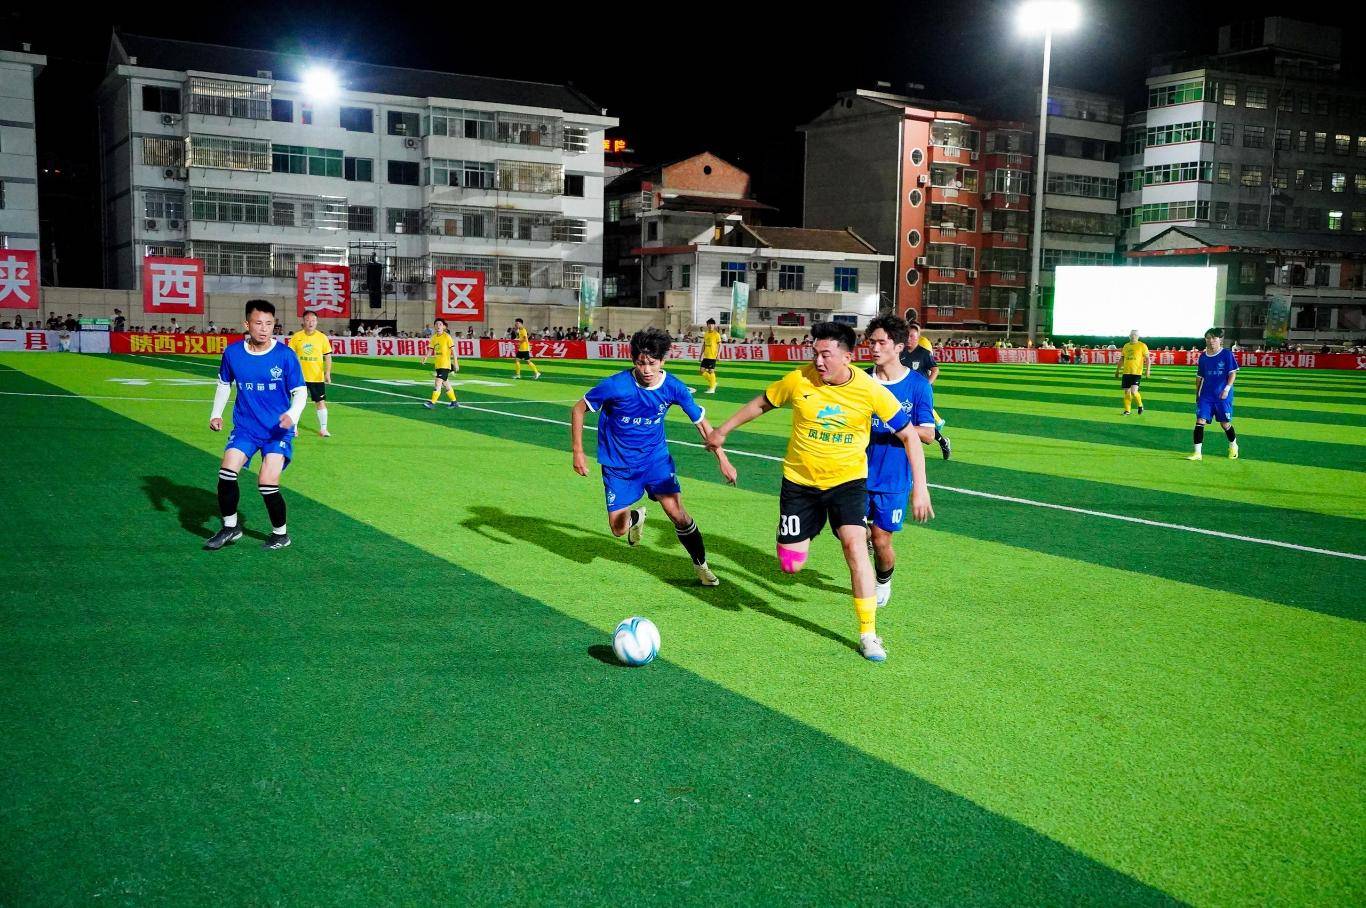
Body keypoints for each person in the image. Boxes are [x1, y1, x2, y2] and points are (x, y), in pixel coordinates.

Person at [706, 321, 934, 662]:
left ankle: (868, 634)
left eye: (826, 354)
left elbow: (910, 436)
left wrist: (921, 489)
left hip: (848, 483)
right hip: (800, 484)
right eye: (815, 353)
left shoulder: (870, 390)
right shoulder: (799, 379)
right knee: (790, 565)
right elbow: (763, 403)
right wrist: (723, 430)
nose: (818, 361)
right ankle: (808, 531)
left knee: (856, 546)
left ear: (847, 356)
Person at [570, 327, 737, 586]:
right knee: (618, 529)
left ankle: (701, 566)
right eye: (640, 363)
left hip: (655, 461)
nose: (646, 369)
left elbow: (702, 424)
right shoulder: (615, 385)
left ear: (663, 361)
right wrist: (578, 452)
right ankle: (636, 518)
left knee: (677, 514)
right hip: (618, 466)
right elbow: (579, 409)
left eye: (652, 363)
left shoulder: (673, 387)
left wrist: (723, 460)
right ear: (633, 361)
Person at [204, 300, 307, 551]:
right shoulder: (233, 353)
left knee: (267, 484)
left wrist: (293, 415)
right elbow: (224, 384)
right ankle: (230, 527)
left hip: (277, 431)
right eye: (258, 323)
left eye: (269, 324)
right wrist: (216, 414)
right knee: (226, 473)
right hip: (246, 428)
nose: (264, 329)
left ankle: (281, 534)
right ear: (246, 324)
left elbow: (300, 392)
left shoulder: (285, 355)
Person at [864, 316, 937, 609]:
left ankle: (883, 580)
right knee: (851, 534)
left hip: (893, 478)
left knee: (881, 540)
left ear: (898, 347)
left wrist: (896, 426)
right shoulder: (859, 380)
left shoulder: (918, 385)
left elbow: (928, 434)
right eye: (871, 342)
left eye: (881, 343)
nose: (874, 348)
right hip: (854, 474)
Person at [900, 321, 952, 459]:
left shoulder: (924, 353)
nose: (908, 339)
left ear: (918, 338)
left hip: (921, 395)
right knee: (907, 422)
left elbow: (935, 369)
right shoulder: (900, 353)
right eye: (907, 335)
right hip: (905, 392)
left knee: (922, 424)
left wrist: (927, 385)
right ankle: (941, 442)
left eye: (912, 336)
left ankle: (942, 442)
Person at [1188, 328, 1239, 461]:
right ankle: (1197, 453)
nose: (1211, 341)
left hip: (1222, 395)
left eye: (1214, 338)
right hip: (1206, 395)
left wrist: (1226, 389)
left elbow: (1232, 373)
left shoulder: (1226, 354)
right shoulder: (1203, 357)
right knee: (1200, 421)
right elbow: (1199, 377)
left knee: (1225, 424)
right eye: (1208, 338)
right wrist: (1197, 394)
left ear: (1220, 340)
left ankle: (1233, 445)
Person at [288, 311, 334, 437]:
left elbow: (328, 356)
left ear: (317, 322)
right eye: (308, 320)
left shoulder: (322, 337)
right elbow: (289, 356)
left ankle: (323, 429)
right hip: (299, 378)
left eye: (313, 320)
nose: (310, 323)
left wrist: (327, 373)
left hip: (316, 377)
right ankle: (293, 429)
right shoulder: (297, 337)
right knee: (297, 403)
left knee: (320, 402)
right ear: (303, 321)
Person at [420, 318, 460, 410]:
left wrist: (456, 363)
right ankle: (454, 402)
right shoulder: (434, 337)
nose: (438, 326)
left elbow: (453, 351)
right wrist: (425, 357)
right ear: (434, 326)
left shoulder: (447, 337)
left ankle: (432, 403)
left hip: (445, 365)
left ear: (444, 327)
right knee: (446, 383)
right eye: (436, 324)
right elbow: (430, 349)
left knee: (438, 382)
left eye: (440, 324)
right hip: (438, 365)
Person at [1115, 329, 1152, 416]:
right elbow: (1122, 359)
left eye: (1135, 335)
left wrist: (1148, 370)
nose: (1133, 336)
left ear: (1138, 336)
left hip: (1136, 372)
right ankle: (1127, 410)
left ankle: (1140, 405)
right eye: (1132, 335)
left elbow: (1147, 359)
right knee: (1127, 392)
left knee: (1134, 392)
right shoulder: (1126, 346)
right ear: (1129, 336)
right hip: (1126, 372)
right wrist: (1117, 370)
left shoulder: (1142, 345)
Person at [699, 318, 722, 394]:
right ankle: (713, 382)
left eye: (712, 324)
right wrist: (700, 355)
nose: (711, 325)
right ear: (707, 325)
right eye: (709, 324)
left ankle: (712, 388)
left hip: (712, 356)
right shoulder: (706, 334)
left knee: (711, 371)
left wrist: (718, 355)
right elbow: (704, 345)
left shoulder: (716, 334)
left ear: (714, 325)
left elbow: (720, 345)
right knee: (702, 371)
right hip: (706, 356)